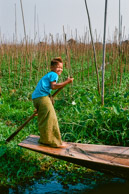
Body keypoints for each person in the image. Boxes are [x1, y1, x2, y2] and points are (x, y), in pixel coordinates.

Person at [32, 57, 74, 148]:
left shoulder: (49, 74)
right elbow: (53, 87)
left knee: (44, 118)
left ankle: (45, 140)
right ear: (52, 67)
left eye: (61, 68)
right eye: (58, 67)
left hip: (37, 98)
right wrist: (67, 81)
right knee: (51, 119)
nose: (60, 69)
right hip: (42, 97)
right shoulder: (53, 74)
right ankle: (53, 142)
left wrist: (39, 107)